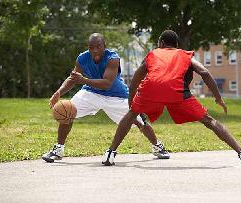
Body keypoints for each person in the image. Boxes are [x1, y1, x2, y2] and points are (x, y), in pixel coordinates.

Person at [102, 30, 241, 167]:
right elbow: (204, 72)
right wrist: (218, 98)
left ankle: (110, 154)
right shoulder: (184, 54)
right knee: (209, 121)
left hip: (150, 90)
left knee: (130, 117)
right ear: (176, 45)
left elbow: (136, 77)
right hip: (177, 93)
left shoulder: (153, 54)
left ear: (161, 43)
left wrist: (132, 101)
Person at [42, 33, 170, 163]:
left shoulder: (112, 58)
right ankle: (58, 149)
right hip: (91, 93)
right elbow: (73, 78)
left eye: (98, 47)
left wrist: (84, 80)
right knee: (67, 112)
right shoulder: (82, 58)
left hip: (117, 95)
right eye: (92, 47)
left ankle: (157, 147)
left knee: (139, 121)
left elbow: (106, 83)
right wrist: (59, 92)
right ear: (88, 47)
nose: (95, 50)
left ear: (105, 46)